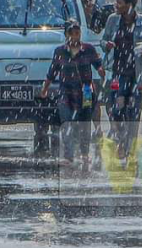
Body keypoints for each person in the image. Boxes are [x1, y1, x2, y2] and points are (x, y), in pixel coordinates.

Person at [102, 0, 142, 161]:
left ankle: (128, 146)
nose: (115, 5)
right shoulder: (112, 20)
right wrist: (107, 44)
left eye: (119, 2)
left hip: (137, 75)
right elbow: (103, 41)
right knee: (116, 109)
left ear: (129, 5)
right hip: (117, 74)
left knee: (133, 112)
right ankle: (120, 138)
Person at [41, 21, 102, 169]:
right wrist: (45, 89)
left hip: (86, 92)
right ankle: (68, 155)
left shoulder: (88, 49)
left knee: (84, 123)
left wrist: (101, 70)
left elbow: (98, 64)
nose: (75, 36)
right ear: (66, 35)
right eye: (72, 33)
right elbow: (52, 72)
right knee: (66, 122)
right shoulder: (60, 52)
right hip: (66, 92)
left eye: (77, 33)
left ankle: (85, 154)